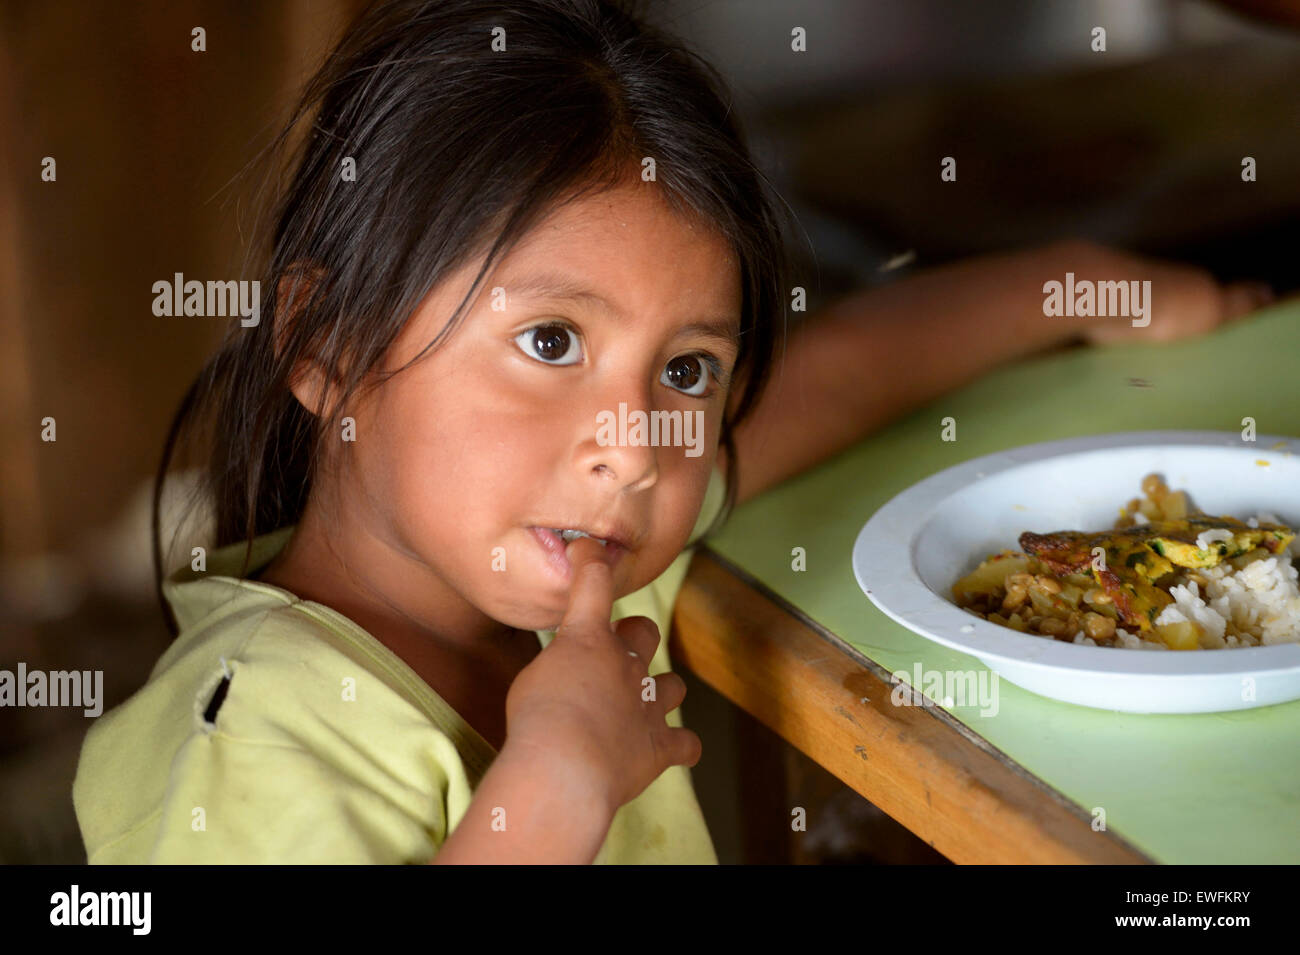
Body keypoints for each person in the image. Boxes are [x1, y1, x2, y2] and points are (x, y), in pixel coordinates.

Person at [72, 0, 1274, 864]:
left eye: (686, 367)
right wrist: (552, 786)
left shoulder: (575, 571)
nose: (638, 440)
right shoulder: (252, 740)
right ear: (327, 347)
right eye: (550, 341)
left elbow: (837, 375)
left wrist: (1068, 286)